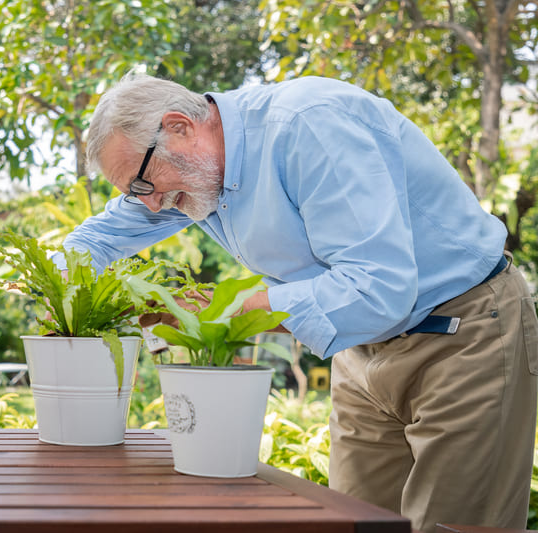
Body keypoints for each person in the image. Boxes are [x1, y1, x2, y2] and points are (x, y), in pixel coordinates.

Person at [54, 72, 538, 533]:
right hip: (363, 350)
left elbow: (379, 288)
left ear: (178, 128)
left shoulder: (309, 125)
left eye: (142, 184)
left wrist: (216, 308)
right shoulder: (189, 176)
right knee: (359, 523)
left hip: (464, 330)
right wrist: (66, 300)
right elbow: (95, 242)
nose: (151, 205)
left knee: (454, 525)